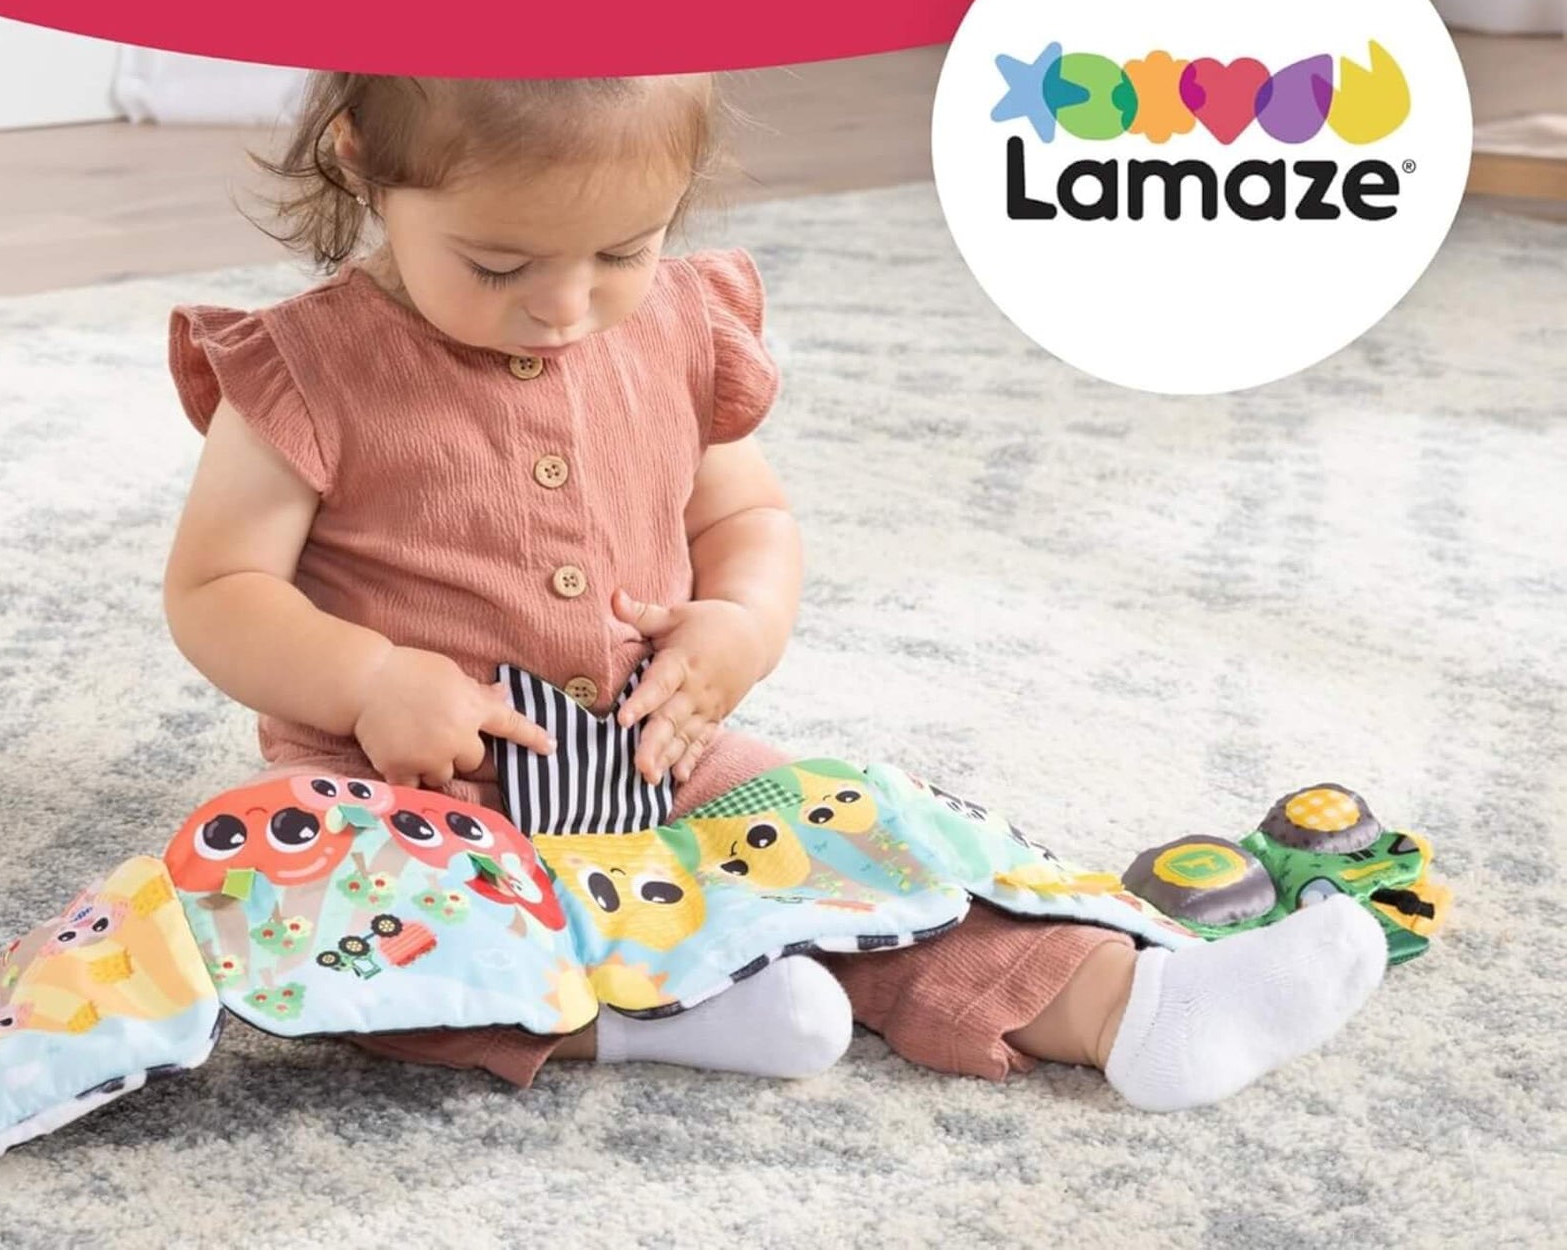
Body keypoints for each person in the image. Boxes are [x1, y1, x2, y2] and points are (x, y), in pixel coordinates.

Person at [163, 73, 1383, 1107]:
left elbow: (746, 514)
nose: (566, 302)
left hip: (657, 753)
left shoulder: (678, 325)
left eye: (622, 250)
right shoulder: (305, 367)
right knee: (307, 920)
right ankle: (663, 1020)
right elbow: (217, 586)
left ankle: (1124, 1008)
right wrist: (369, 675)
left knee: (857, 850)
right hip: (412, 788)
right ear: (361, 161)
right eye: (498, 261)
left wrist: (739, 623)